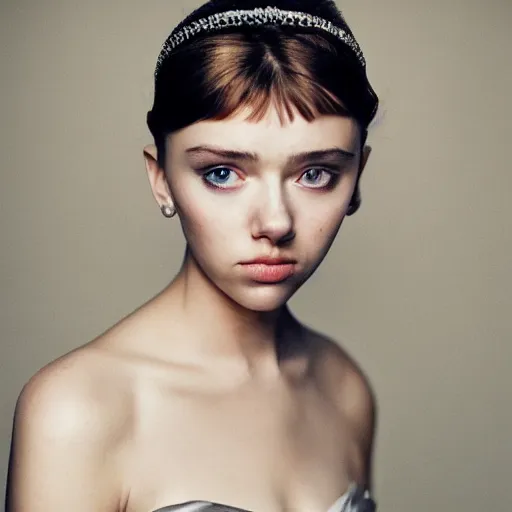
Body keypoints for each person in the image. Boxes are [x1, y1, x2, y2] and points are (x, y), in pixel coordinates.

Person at [6, 0, 380, 510]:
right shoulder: (78, 411)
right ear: (161, 179)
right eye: (222, 173)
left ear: (356, 177)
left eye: (315, 173)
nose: (275, 221)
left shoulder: (344, 388)